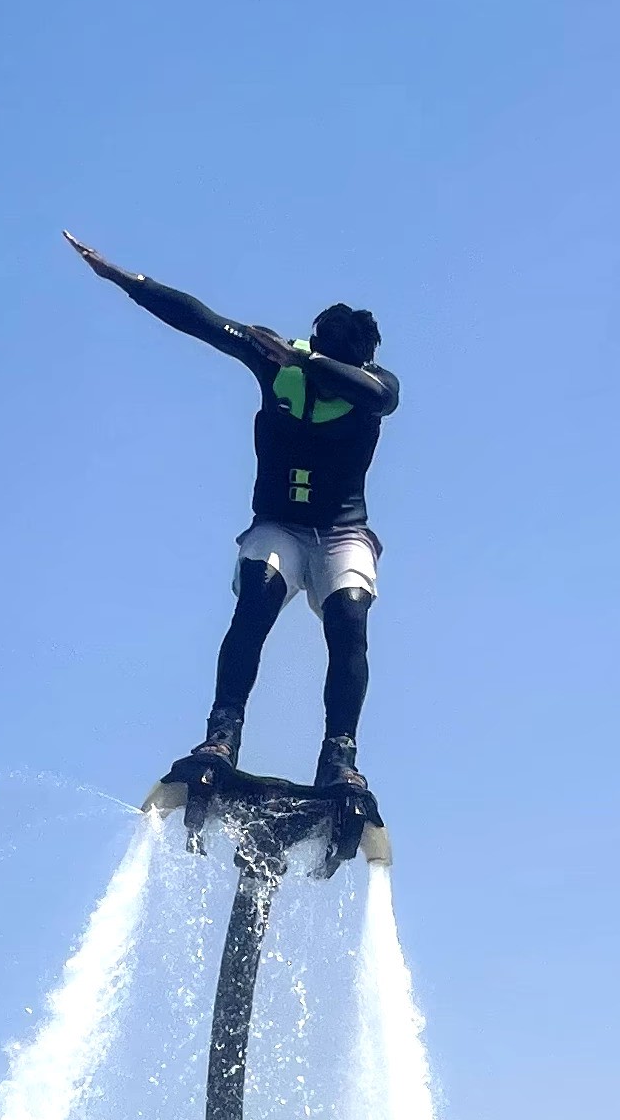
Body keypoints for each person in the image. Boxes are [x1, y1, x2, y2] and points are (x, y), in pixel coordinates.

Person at [64, 232, 399, 791]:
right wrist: (125, 280)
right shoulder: (276, 365)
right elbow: (198, 318)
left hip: (342, 533)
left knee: (349, 620)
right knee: (257, 597)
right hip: (276, 527)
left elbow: (382, 398)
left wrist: (304, 359)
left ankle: (339, 757)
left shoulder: (375, 385)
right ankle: (222, 734)